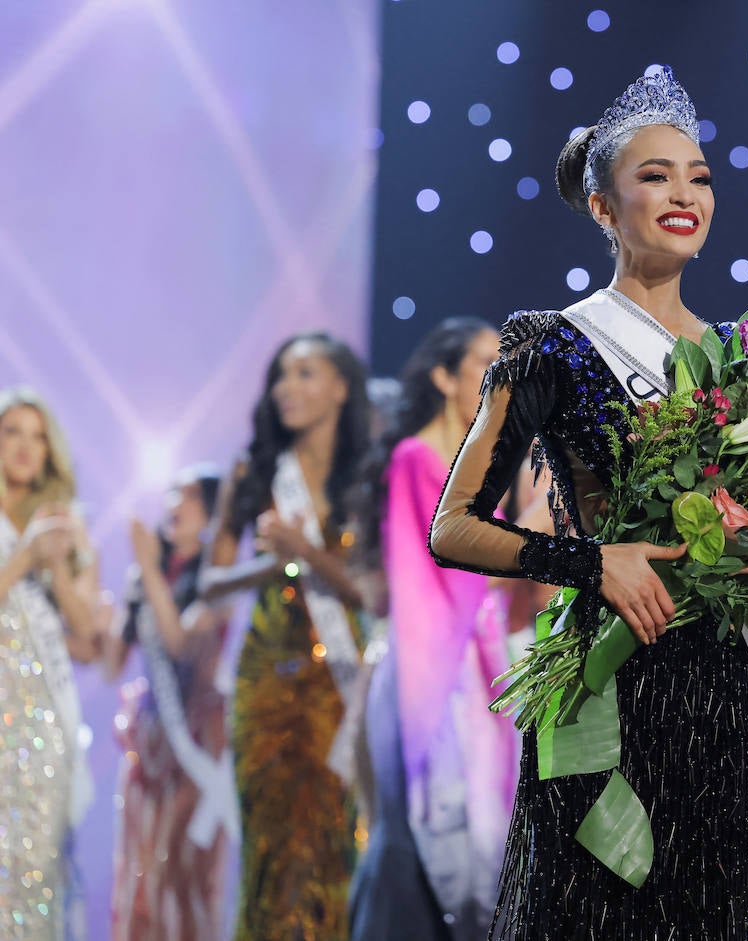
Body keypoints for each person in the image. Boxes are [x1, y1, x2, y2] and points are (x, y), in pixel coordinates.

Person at [428, 67, 748, 939]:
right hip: (605, 687)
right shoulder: (550, 343)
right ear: (602, 205)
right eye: (655, 175)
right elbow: (453, 524)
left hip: (719, 699)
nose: (683, 193)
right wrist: (593, 561)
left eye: (698, 176)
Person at [349, 317, 533, 939]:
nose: (496, 375)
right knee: (412, 841)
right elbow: (441, 573)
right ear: (443, 376)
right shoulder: (416, 457)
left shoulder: (483, 465)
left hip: (477, 667)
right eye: (484, 363)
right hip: (426, 671)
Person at [201, 332, 370, 941]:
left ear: (340, 387)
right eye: (281, 376)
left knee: (334, 839)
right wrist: (272, 565)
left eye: (304, 373)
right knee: (270, 843)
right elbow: (212, 582)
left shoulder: (366, 477)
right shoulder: (255, 472)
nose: (286, 388)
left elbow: (375, 591)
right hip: (267, 679)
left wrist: (305, 552)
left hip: (341, 684)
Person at [108, 466, 232, 941]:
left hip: (196, 747)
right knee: (139, 871)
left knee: (181, 873)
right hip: (149, 745)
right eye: (171, 495)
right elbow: (108, 665)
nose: (175, 505)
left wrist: (148, 571)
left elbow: (182, 644)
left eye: (190, 497)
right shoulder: (146, 577)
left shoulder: (215, 581)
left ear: (210, 514)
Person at [0, 386, 102, 938]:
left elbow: (87, 636)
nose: (23, 446)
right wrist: (23, 557)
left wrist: (57, 564)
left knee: (35, 870)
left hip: (40, 722)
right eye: (12, 431)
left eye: (37, 437)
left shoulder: (66, 521)